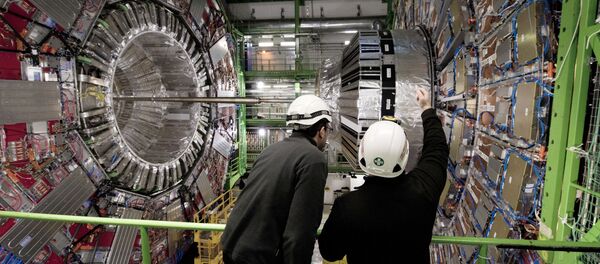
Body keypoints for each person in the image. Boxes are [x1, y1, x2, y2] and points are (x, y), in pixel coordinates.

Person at [318, 88, 448, 263]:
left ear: (362, 153)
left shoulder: (347, 207)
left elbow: (330, 252)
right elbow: (437, 149)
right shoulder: (424, 189)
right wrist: (426, 109)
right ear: (404, 153)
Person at [221, 94, 332, 264]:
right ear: (321, 130)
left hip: (231, 247)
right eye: (327, 129)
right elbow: (299, 232)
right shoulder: (313, 159)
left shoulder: (270, 150)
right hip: (258, 258)